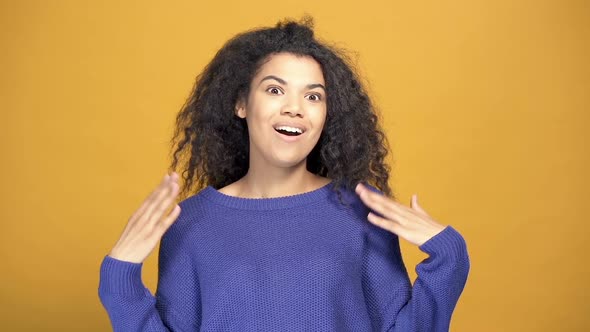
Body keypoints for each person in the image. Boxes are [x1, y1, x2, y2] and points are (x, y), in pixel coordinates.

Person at [98, 17, 470, 332]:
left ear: (327, 115)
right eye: (275, 90)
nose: (295, 108)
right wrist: (121, 278)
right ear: (241, 103)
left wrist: (449, 254)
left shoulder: (360, 211)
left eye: (313, 96)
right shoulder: (190, 224)